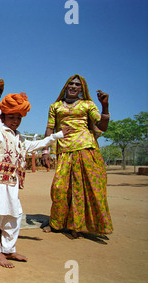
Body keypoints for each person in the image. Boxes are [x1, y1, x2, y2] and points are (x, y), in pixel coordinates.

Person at [0, 93, 73, 268]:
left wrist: (57, 136)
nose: (15, 121)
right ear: (2, 117)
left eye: (18, 118)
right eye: (11, 117)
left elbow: (35, 145)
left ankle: (8, 249)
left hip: (12, 183)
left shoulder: (20, 138)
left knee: (14, 216)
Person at [41, 74, 113, 238]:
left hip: (87, 149)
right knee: (60, 188)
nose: (73, 87)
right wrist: (45, 151)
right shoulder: (56, 106)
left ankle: (78, 225)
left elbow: (102, 126)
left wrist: (105, 107)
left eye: (77, 85)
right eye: (71, 84)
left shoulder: (88, 104)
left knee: (85, 189)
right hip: (65, 150)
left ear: (82, 89)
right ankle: (57, 222)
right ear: (66, 86)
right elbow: (49, 129)